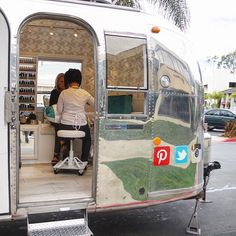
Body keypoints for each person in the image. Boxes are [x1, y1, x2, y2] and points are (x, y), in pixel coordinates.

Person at [57, 68, 94, 163]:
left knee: (66, 138)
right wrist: (85, 102)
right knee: (87, 140)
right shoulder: (85, 93)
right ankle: (84, 161)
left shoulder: (63, 93)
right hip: (80, 125)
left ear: (68, 80)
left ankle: (65, 158)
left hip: (65, 125)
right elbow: (96, 105)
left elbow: (59, 110)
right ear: (79, 80)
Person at [49, 73, 65, 165]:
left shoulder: (68, 93)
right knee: (58, 128)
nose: (63, 83)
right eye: (61, 81)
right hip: (56, 118)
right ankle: (61, 148)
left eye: (64, 81)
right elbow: (51, 107)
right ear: (57, 82)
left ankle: (57, 154)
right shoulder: (54, 92)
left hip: (66, 118)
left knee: (61, 128)